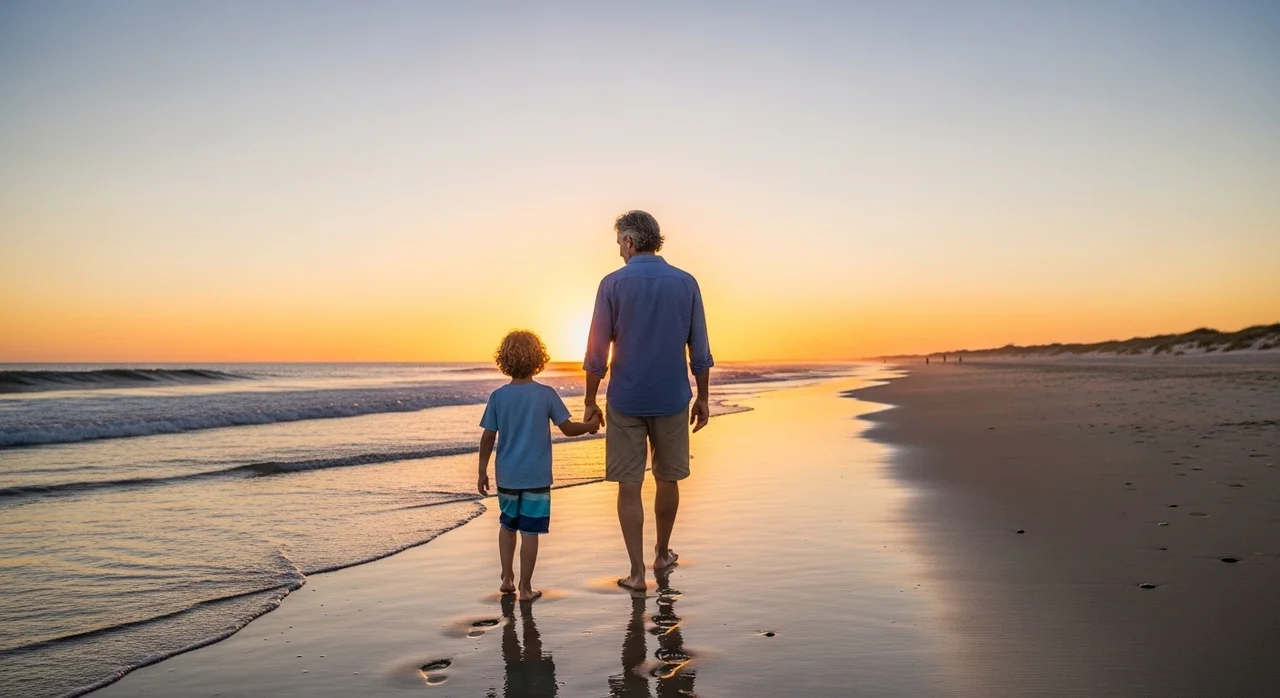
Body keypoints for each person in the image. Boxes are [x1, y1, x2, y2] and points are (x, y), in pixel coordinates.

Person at [583, 210, 713, 593]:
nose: (619, 251)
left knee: (629, 483)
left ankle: (637, 573)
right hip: (672, 396)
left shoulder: (612, 284)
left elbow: (596, 353)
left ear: (629, 240)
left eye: (619, 243)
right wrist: (704, 397)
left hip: (626, 398)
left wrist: (590, 400)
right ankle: (661, 553)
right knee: (667, 478)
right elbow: (700, 350)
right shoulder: (686, 282)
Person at [479, 330, 601, 602]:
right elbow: (567, 429)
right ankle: (525, 588)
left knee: (507, 525)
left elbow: (488, 437)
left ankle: (506, 578)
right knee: (530, 531)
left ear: (504, 360)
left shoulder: (498, 397)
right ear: (538, 359)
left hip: (507, 476)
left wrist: (481, 471)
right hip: (536, 476)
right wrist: (591, 425)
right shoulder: (546, 394)